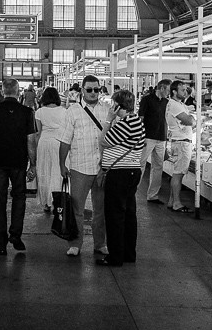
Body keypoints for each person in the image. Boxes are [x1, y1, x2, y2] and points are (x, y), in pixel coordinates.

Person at [0, 78, 38, 255]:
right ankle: (15, 235)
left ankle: (0, 244)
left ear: (3, 91)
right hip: (18, 162)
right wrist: (33, 164)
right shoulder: (27, 112)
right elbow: (31, 140)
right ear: (18, 91)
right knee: (19, 197)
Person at [58, 74, 107, 258]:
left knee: (101, 210)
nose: (93, 93)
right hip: (80, 166)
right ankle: (75, 244)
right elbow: (65, 140)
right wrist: (62, 164)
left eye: (96, 89)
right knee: (77, 209)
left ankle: (100, 244)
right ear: (82, 90)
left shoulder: (107, 111)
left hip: (102, 168)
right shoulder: (72, 111)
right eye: (89, 90)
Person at [96, 89, 145, 267]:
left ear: (118, 105)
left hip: (119, 174)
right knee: (129, 214)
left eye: (113, 103)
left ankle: (115, 256)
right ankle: (128, 253)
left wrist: (109, 119)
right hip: (131, 172)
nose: (111, 106)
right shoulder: (136, 121)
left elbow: (103, 140)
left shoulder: (125, 124)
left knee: (115, 215)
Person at [34, 87, 67, 213]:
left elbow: (38, 132)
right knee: (58, 172)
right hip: (59, 142)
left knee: (44, 171)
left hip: (44, 142)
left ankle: (46, 203)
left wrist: (35, 149)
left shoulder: (39, 112)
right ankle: (57, 201)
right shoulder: (64, 111)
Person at [138, 79, 170, 205]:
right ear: (161, 88)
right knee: (141, 164)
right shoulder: (147, 100)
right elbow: (141, 118)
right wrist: (141, 136)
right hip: (148, 137)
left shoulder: (167, 102)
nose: (168, 93)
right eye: (167, 90)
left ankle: (153, 195)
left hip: (161, 138)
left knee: (158, 167)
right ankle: (131, 193)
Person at [165, 80, 196, 213]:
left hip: (179, 141)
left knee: (177, 173)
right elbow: (189, 121)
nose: (185, 92)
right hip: (182, 143)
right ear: (174, 91)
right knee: (178, 174)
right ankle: (177, 203)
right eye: (182, 90)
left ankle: (172, 201)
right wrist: (192, 119)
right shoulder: (175, 105)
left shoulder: (177, 104)